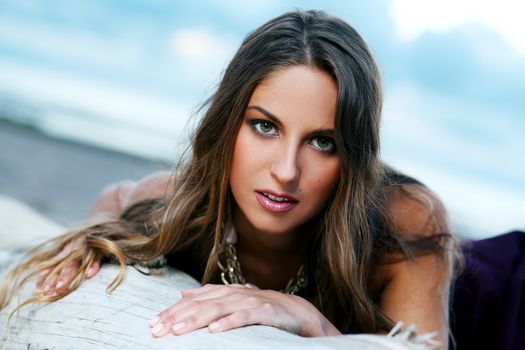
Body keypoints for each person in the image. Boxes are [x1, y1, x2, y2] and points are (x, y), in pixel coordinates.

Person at [0, 9, 459, 348]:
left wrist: (313, 324)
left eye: (323, 142)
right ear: (227, 125)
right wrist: (88, 238)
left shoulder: (408, 223)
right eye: (265, 126)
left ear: (354, 159)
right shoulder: (179, 202)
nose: (286, 171)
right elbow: (115, 198)